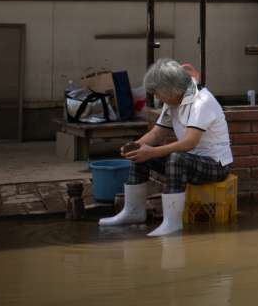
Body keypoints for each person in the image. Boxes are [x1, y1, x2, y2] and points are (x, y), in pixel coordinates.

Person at [99, 59, 233, 237]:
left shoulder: (202, 101)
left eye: (157, 93)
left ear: (171, 89)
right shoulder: (172, 101)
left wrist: (152, 152)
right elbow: (156, 134)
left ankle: (172, 222)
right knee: (140, 153)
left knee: (176, 158)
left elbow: (189, 142)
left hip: (216, 165)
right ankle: (133, 212)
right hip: (189, 160)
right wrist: (136, 146)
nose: (157, 97)